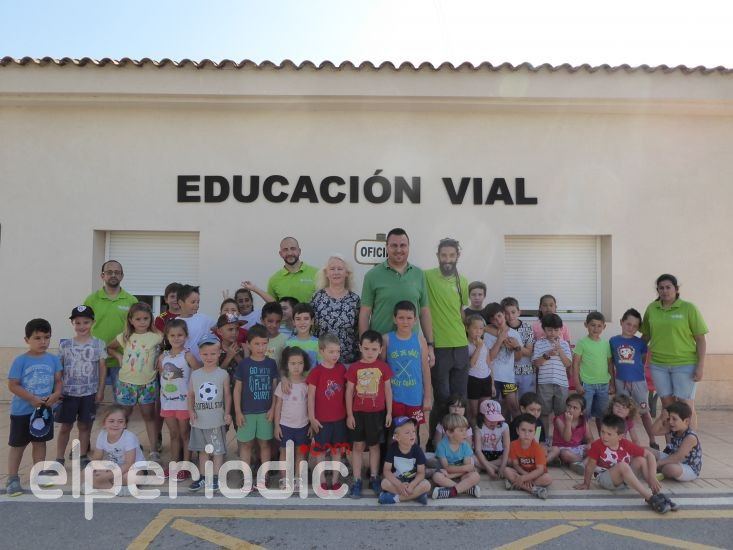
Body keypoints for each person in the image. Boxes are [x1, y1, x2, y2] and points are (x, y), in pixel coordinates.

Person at [641, 274, 708, 429]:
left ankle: (690, 442)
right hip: (658, 365)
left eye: (668, 287)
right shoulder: (652, 308)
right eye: (661, 288)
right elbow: (646, 336)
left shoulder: (688, 308)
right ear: (657, 290)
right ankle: (672, 441)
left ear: (676, 289)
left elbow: (700, 339)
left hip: (685, 364)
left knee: (685, 406)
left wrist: (700, 366)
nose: (664, 291)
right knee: (667, 406)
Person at [6, 319, 63, 497]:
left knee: (40, 443)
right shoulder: (20, 361)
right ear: (27, 340)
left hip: (43, 412)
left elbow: (58, 381)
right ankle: (12, 479)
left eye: (47, 337)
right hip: (22, 411)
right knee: (18, 445)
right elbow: (13, 385)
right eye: (37, 338)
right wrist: (31, 399)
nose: (43, 342)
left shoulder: (53, 359)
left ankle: (39, 474)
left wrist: (56, 394)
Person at [359, 228, 434, 364]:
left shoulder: (419, 274)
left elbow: (424, 311)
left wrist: (430, 345)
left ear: (408, 247)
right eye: (394, 245)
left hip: (410, 349)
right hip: (380, 350)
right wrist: (365, 348)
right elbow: (364, 313)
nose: (399, 250)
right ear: (387, 247)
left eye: (402, 245)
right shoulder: (372, 275)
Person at [574, 413, 676, 513]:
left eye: (609, 434)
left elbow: (650, 455)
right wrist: (586, 484)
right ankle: (649, 498)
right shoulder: (597, 445)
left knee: (640, 460)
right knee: (623, 465)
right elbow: (590, 466)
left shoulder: (625, 443)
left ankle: (656, 493)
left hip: (624, 479)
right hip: (606, 479)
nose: (604, 436)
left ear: (620, 436)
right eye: (602, 432)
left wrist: (652, 477)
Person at [424, 238, 470, 436]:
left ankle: (459, 441)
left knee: (459, 400)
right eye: (444, 255)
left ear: (457, 256)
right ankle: (436, 442)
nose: (448, 259)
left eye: (451, 255)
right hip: (439, 346)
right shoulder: (426, 276)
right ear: (438, 256)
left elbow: (461, 311)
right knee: (442, 399)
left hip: (461, 345)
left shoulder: (463, 281)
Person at [106, 302, 162, 460]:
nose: (142, 322)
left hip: (148, 384)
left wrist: (161, 357)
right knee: (123, 416)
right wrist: (118, 356)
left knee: (149, 416)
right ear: (131, 320)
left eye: (146, 318)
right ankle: (121, 447)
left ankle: (153, 449)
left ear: (151, 319)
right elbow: (110, 347)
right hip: (126, 383)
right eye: (138, 319)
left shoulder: (157, 337)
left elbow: (168, 348)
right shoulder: (125, 336)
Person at [55, 306, 107, 468]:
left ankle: (83, 455)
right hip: (68, 393)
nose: (82, 326)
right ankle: (59, 458)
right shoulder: (65, 345)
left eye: (86, 322)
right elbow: (58, 369)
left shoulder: (99, 344)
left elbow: (102, 369)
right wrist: (57, 390)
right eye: (78, 323)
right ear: (73, 323)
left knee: (85, 426)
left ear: (93, 322)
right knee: (65, 426)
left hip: (89, 393)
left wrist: (100, 390)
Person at [345, 330, 393, 498]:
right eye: (366, 348)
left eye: (374, 349)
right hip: (358, 413)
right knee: (358, 446)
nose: (370, 352)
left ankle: (374, 477)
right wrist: (349, 414)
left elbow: (388, 390)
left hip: (377, 413)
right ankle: (357, 480)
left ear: (380, 349)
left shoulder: (383, 367)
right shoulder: (354, 368)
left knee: (374, 446)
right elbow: (349, 391)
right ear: (360, 348)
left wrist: (389, 412)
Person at [234, 324, 279, 490]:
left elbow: (275, 389)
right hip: (247, 412)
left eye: (264, 343)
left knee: (265, 444)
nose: (261, 348)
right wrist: (238, 412)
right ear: (248, 344)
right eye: (257, 344)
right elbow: (237, 389)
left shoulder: (271, 363)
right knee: (246, 445)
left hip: (265, 412)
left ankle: (263, 477)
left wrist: (273, 408)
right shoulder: (244, 364)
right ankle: (246, 477)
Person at [83, 260, 138, 387]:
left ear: (122, 276)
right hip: (95, 358)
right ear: (102, 275)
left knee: (121, 397)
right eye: (109, 272)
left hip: (122, 359)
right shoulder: (91, 300)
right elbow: (83, 327)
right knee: (93, 396)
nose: (113, 275)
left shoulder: (131, 300)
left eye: (117, 272)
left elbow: (137, 329)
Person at [188, 335, 232, 492]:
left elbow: (227, 395)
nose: (209, 357)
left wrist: (227, 413)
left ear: (219, 353)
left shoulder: (222, 374)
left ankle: (216, 477)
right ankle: (202, 477)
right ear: (200, 354)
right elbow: (191, 395)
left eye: (213, 353)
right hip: (199, 421)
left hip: (216, 420)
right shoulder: (195, 374)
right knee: (203, 450)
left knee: (217, 450)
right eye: (205, 354)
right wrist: (191, 411)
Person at [157, 319, 198, 481]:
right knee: (173, 434)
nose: (176, 338)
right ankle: (174, 464)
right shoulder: (162, 357)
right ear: (167, 337)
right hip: (167, 403)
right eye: (172, 335)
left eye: (180, 335)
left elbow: (199, 374)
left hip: (184, 404)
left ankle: (186, 466)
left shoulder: (188, 356)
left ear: (186, 336)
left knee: (185, 434)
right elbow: (162, 378)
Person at [382, 301, 432, 431]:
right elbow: (381, 369)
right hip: (394, 397)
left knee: (414, 433)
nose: (405, 322)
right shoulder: (386, 339)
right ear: (394, 319)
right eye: (401, 318)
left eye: (409, 318)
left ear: (415, 320)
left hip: (415, 397)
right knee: (395, 432)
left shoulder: (420, 340)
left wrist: (427, 397)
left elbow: (425, 369)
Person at [610, 308, 657, 448]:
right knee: (621, 413)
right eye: (628, 324)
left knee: (645, 412)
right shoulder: (613, 341)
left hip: (638, 382)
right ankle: (621, 442)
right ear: (621, 322)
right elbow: (611, 362)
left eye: (635, 326)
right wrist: (612, 383)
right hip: (620, 382)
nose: (631, 328)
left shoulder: (640, 343)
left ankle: (652, 440)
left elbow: (643, 360)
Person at [306, 333, 348, 491]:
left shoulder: (342, 369)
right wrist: (312, 417)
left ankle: (335, 480)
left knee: (337, 450)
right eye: (331, 352)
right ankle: (322, 479)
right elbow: (310, 396)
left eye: (338, 351)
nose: (335, 355)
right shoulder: (316, 372)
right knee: (320, 451)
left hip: (339, 418)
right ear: (321, 351)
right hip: (321, 420)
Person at [311, 255, 361, 364]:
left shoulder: (354, 299)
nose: (336, 272)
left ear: (347, 273)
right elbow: (310, 326)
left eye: (340, 269)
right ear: (326, 273)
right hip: (322, 360)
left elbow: (358, 330)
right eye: (332, 269)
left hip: (347, 360)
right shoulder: (317, 297)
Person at [274, 347, 311, 491]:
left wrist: (311, 425)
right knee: (284, 453)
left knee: (301, 453)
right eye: (293, 363)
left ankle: (298, 478)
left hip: (303, 425)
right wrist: (276, 426)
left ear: (305, 364)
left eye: (300, 363)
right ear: (286, 365)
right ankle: (284, 479)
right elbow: (278, 406)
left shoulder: (307, 384)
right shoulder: (283, 384)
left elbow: (310, 405)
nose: (296, 367)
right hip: (285, 425)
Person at [573, 312, 613, 434]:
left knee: (602, 415)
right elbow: (575, 364)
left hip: (604, 385)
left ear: (604, 327)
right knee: (584, 414)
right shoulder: (582, 343)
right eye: (592, 325)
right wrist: (577, 384)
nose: (596, 329)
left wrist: (612, 384)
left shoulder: (606, 344)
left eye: (599, 326)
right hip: (587, 386)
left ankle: (602, 439)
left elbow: (610, 364)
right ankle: (584, 438)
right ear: (586, 325)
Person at [531, 313, 572, 433]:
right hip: (544, 383)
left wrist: (560, 351)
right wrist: (547, 354)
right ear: (544, 330)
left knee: (561, 413)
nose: (553, 333)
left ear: (561, 330)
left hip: (562, 383)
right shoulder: (539, 343)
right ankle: (544, 437)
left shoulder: (564, 344)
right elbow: (536, 363)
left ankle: (559, 438)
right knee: (543, 412)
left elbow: (568, 364)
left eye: (556, 330)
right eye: (549, 330)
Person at [90, 405, 145, 491]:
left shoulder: (129, 437)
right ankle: (116, 488)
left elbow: (129, 464)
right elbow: (96, 458)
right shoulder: (102, 435)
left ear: (125, 424)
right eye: (111, 421)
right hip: (114, 467)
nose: (115, 424)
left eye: (120, 421)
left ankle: (108, 486)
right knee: (87, 472)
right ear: (104, 423)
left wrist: (108, 475)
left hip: (134, 468)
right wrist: (97, 471)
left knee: (129, 477)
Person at [378, 416, 431, 505]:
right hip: (398, 480)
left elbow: (421, 473)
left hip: (413, 481)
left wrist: (412, 485)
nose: (412, 435)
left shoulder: (417, 450)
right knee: (384, 483)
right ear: (397, 437)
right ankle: (416, 495)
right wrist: (399, 485)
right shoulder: (392, 449)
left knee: (426, 485)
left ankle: (395, 499)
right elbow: (386, 471)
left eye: (413, 431)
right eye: (407, 433)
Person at [483, 303, 522, 421]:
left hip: (508, 377)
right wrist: (499, 340)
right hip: (492, 377)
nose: (498, 320)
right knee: (493, 408)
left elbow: (518, 358)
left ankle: (517, 430)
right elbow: (490, 357)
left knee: (514, 407)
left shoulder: (514, 334)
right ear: (490, 321)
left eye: (499, 316)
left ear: (504, 314)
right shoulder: (487, 335)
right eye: (493, 319)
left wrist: (516, 347)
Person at [432, 413, 481, 499]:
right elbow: (447, 468)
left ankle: (452, 491)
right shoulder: (441, 446)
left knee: (476, 476)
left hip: (460, 475)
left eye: (466, 430)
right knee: (436, 477)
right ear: (449, 433)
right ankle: (466, 489)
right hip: (446, 473)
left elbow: (468, 468)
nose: (465, 434)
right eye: (461, 431)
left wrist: (452, 476)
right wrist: (464, 468)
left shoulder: (465, 445)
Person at [651, 402, 702, 482]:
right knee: (646, 451)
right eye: (669, 418)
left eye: (674, 419)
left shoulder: (690, 437)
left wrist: (658, 463)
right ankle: (657, 468)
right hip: (672, 459)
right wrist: (661, 418)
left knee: (670, 468)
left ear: (686, 421)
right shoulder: (673, 429)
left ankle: (658, 469)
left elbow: (678, 457)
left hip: (688, 467)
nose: (670, 422)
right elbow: (653, 432)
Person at [504, 413, 553, 499]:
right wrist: (525, 477)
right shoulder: (513, 445)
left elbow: (540, 470)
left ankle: (515, 483)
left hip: (536, 475)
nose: (526, 434)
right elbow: (516, 465)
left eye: (530, 431)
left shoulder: (538, 448)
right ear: (517, 431)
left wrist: (525, 478)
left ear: (535, 432)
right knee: (506, 470)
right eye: (523, 430)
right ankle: (533, 490)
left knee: (548, 478)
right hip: (521, 473)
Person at [501, 297, 536, 398]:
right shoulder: (501, 329)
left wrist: (516, 346)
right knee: (509, 402)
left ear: (519, 312)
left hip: (526, 371)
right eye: (506, 313)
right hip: (508, 373)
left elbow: (529, 352)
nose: (510, 316)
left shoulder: (527, 327)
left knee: (526, 400)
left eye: (513, 312)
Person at [267, 237, 318, 304]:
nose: (290, 253)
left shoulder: (317, 274)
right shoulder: (274, 280)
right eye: (285, 250)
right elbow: (272, 307)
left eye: (293, 249)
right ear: (280, 254)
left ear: (299, 251)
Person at [547, 393, 590, 473]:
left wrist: (590, 446)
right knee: (565, 454)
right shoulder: (559, 420)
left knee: (593, 447)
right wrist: (568, 422)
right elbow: (567, 439)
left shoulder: (583, 421)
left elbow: (589, 438)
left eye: (575, 408)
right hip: (562, 448)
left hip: (577, 448)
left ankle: (579, 463)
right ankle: (582, 462)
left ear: (581, 412)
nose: (570, 409)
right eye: (569, 406)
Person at [177, 285, 216, 364]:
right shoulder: (175, 323)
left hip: (202, 364)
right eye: (193, 302)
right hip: (182, 364)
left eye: (198, 302)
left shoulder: (203, 318)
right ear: (180, 303)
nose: (196, 305)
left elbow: (220, 327)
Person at [465, 314, 492, 426]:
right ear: (467, 328)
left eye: (481, 328)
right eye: (475, 328)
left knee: (485, 411)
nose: (478, 331)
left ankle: (483, 434)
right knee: (473, 413)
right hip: (473, 379)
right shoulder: (466, 344)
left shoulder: (484, 343)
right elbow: (471, 364)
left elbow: (488, 363)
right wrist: (479, 347)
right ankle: (473, 433)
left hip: (486, 378)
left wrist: (492, 383)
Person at [474, 399, 510, 479]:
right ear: (482, 417)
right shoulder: (479, 428)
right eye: (490, 419)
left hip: (498, 454)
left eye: (496, 419)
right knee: (472, 458)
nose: (493, 422)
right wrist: (489, 468)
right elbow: (478, 450)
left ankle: (482, 466)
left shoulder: (504, 426)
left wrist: (503, 466)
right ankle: (495, 469)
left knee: (509, 460)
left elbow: (506, 447)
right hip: (483, 454)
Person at [286, 303, 320, 367]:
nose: (302, 322)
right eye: (298, 319)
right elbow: (285, 366)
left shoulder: (318, 343)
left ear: (312, 321)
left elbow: (322, 367)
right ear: (293, 322)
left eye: (306, 319)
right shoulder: (288, 343)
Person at [261, 302, 288, 370]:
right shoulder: (256, 339)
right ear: (262, 321)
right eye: (270, 321)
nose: (274, 325)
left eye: (278, 322)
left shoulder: (285, 340)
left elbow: (285, 366)